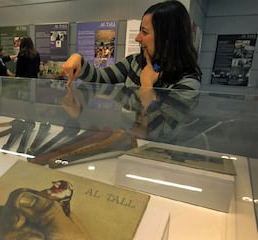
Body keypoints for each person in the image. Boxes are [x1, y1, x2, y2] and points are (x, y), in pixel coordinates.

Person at [62, 0, 202, 142]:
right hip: (132, 139)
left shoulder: (188, 83)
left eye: (144, 32)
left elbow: (160, 133)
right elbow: (99, 78)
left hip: (160, 152)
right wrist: (78, 60)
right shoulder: (135, 62)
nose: (137, 38)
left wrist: (147, 87)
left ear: (167, 39)